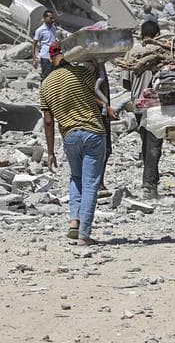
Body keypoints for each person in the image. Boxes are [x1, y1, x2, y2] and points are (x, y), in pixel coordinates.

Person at [39, 51, 111, 246]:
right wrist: (97, 67)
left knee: (76, 178)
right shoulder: (80, 73)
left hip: (70, 137)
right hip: (93, 133)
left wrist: (51, 152)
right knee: (90, 184)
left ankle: (74, 221)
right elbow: (100, 94)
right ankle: (84, 235)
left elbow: (47, 121)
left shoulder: (45, 84)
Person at [126, 20, 164, 199]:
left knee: (146, 142)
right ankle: (148, 185)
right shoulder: (159, 51)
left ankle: (151, 182)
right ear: (157, 35)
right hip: (153, 104)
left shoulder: (131, 52)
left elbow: (125, 82)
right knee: (154, 145)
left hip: (136, 103)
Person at [31, 10, 62, 79]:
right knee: (46, 76)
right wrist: (34, 59)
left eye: (53, 18)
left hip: (54, 55)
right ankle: (43, 89)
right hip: (45, 57)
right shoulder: (40, 30)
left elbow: (54, 40)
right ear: (45, 18)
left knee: (55, 76)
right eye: (51, 18)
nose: (53, 20)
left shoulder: (53, 28)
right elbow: (34, 44)